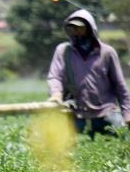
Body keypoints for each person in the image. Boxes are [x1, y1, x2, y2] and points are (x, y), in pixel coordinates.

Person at [47, 9, 130, 138]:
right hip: (77, 113)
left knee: (121, 142)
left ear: (90, 29)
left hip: (106, 113)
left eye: (80, 28)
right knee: (70, 148)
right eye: (72, 28)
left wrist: (127, 114)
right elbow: (55, 77)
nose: (76, 32)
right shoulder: (63, 51)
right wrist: (56, 94)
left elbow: (120, 86)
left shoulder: (107, 53)